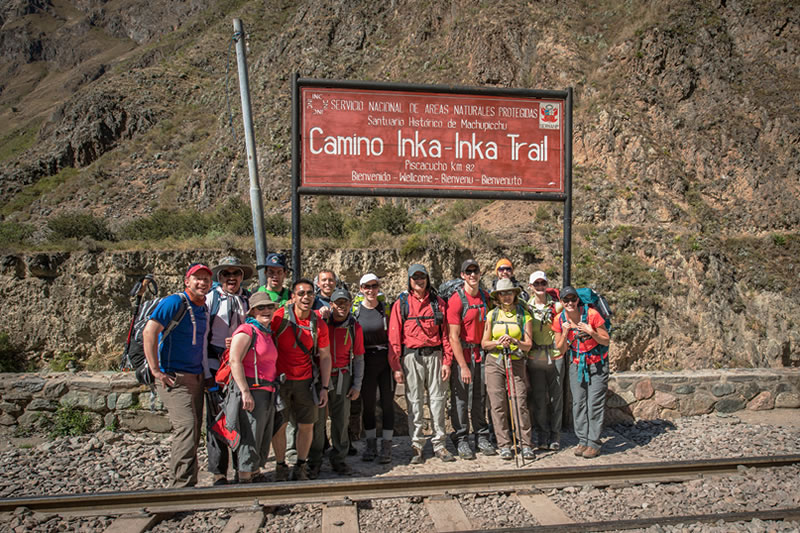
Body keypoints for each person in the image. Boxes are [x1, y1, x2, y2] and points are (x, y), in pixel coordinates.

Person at [142, 263, 212, 488]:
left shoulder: (203, 306)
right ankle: (180, 487)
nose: (202, 283)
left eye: (206, 279)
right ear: (187, 280)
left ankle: (189, 482)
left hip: (196, 376)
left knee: (193, 430)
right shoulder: (174, 302)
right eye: (197, 278)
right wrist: (155, 370)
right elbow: (150, 331)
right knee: (188, 428)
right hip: (174, 377)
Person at [388, 264, 455, 464]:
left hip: (435, 356)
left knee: (438, 401)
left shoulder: (439, 303)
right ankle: (416, 445)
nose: (419, 280)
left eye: (422, 277)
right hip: (411, 358)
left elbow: (446, 336)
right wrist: (396, 366)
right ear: (409, 280)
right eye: (415, 277)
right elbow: (394, 337)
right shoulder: (401, 304)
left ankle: (439, 445)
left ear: (427, 278)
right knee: (414, 402)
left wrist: (447, 361)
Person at [270, 278, 332, 481]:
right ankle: (280, 466)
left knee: (307, 425)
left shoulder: (318, 324)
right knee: (280, 425)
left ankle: (300, 466)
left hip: (306, 381)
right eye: (301, 293)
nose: (306, 297)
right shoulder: (279, 318)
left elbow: (325, 356)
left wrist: (324, 387)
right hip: (281, 381)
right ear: (293, 297)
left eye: (309, 293)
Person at [205, 256, 253, 485]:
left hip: (240, 366)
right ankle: (218, 472)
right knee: (217, 418)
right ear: (219, 277)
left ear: (242, 277)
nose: (231, 277)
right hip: (216, 365)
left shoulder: (247, 299)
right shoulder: (210, 299)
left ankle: (241, 468)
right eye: (226, 273)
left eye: (236, 273)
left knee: (239, 416)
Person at [308, 288, 365, 477]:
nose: (342, 307)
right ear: (330, 305)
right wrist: (318, 313)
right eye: (338, 303)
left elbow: (358, 357)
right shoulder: (320, 322)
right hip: (320, 377)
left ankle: (339, 458)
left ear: (350, 304)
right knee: (318, 420)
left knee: (341, 419)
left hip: (342, 376)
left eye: (345, 303)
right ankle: (315, 460)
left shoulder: (354, 327)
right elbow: (302, 314)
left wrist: (357, 384)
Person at [225, 291, 280, 482]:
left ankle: (254, 472)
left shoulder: (266, 332)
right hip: (251, 389)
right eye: (260, 308)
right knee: (249, 433)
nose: (266, 310)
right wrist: (245, 391)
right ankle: (245, 477)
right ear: (253, 311)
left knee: (261, 433)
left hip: (266, 390)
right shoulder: (246, 331)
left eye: (269, 307)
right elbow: (235, 360)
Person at [481, 278, 536, 461]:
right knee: (498, 404)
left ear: (515, 294)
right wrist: (497, 342)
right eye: (502, 293)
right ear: (498, 296)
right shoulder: (492, 315)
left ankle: (525, 444)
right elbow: (484, 343)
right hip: (495, 361)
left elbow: (528, 344)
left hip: (515, 361)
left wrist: (514, 342)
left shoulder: (524, 315)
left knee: (518, 402)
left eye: (509, 293)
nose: (506, 296)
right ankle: (504, 445)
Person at [553, 286, 610, 459]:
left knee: (594, 403)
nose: (570, 303)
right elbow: (560, 349)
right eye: (566, 300)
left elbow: (606, 340)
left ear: (578, 300)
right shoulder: (559, 319)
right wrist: (564, 332)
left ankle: (593, 443)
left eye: (573, 299)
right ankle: (583, 440)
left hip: (597, 364)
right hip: (577, 364)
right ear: (561, 302)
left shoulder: (591, 315)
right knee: (578, 403)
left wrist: (590, 332)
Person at [447, 259, 495, 459]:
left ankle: (481, 435)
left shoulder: (485, 297)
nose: (473, 275)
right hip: (464, 354)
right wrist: (462, 366)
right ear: (462, 275)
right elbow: (453, 337)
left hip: (481, 353)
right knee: (460, 398)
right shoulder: (456, 300)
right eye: (469, 272)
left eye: (475, 271)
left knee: (480, 397)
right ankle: (461, 438)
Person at [354, 273, 394, 463]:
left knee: (387, 404)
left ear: (379, 287)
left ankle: (386, 446)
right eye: (367, 287)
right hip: (365, 361)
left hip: (385, 360)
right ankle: (370, 444)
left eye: (374, 286)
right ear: (361, 289)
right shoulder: (356, 311)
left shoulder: (385, 309)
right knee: (368, 404)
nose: (371, 290)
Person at [525, 271, 564, 451]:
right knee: (540, 398)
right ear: (530, 286)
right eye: (537, 284)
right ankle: (542, 433)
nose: (540, 287)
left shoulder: (556, 306)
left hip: (555, 354)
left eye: (543, 283)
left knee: (556, 397)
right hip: (536, 356)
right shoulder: (527, 307)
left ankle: (555, 434)